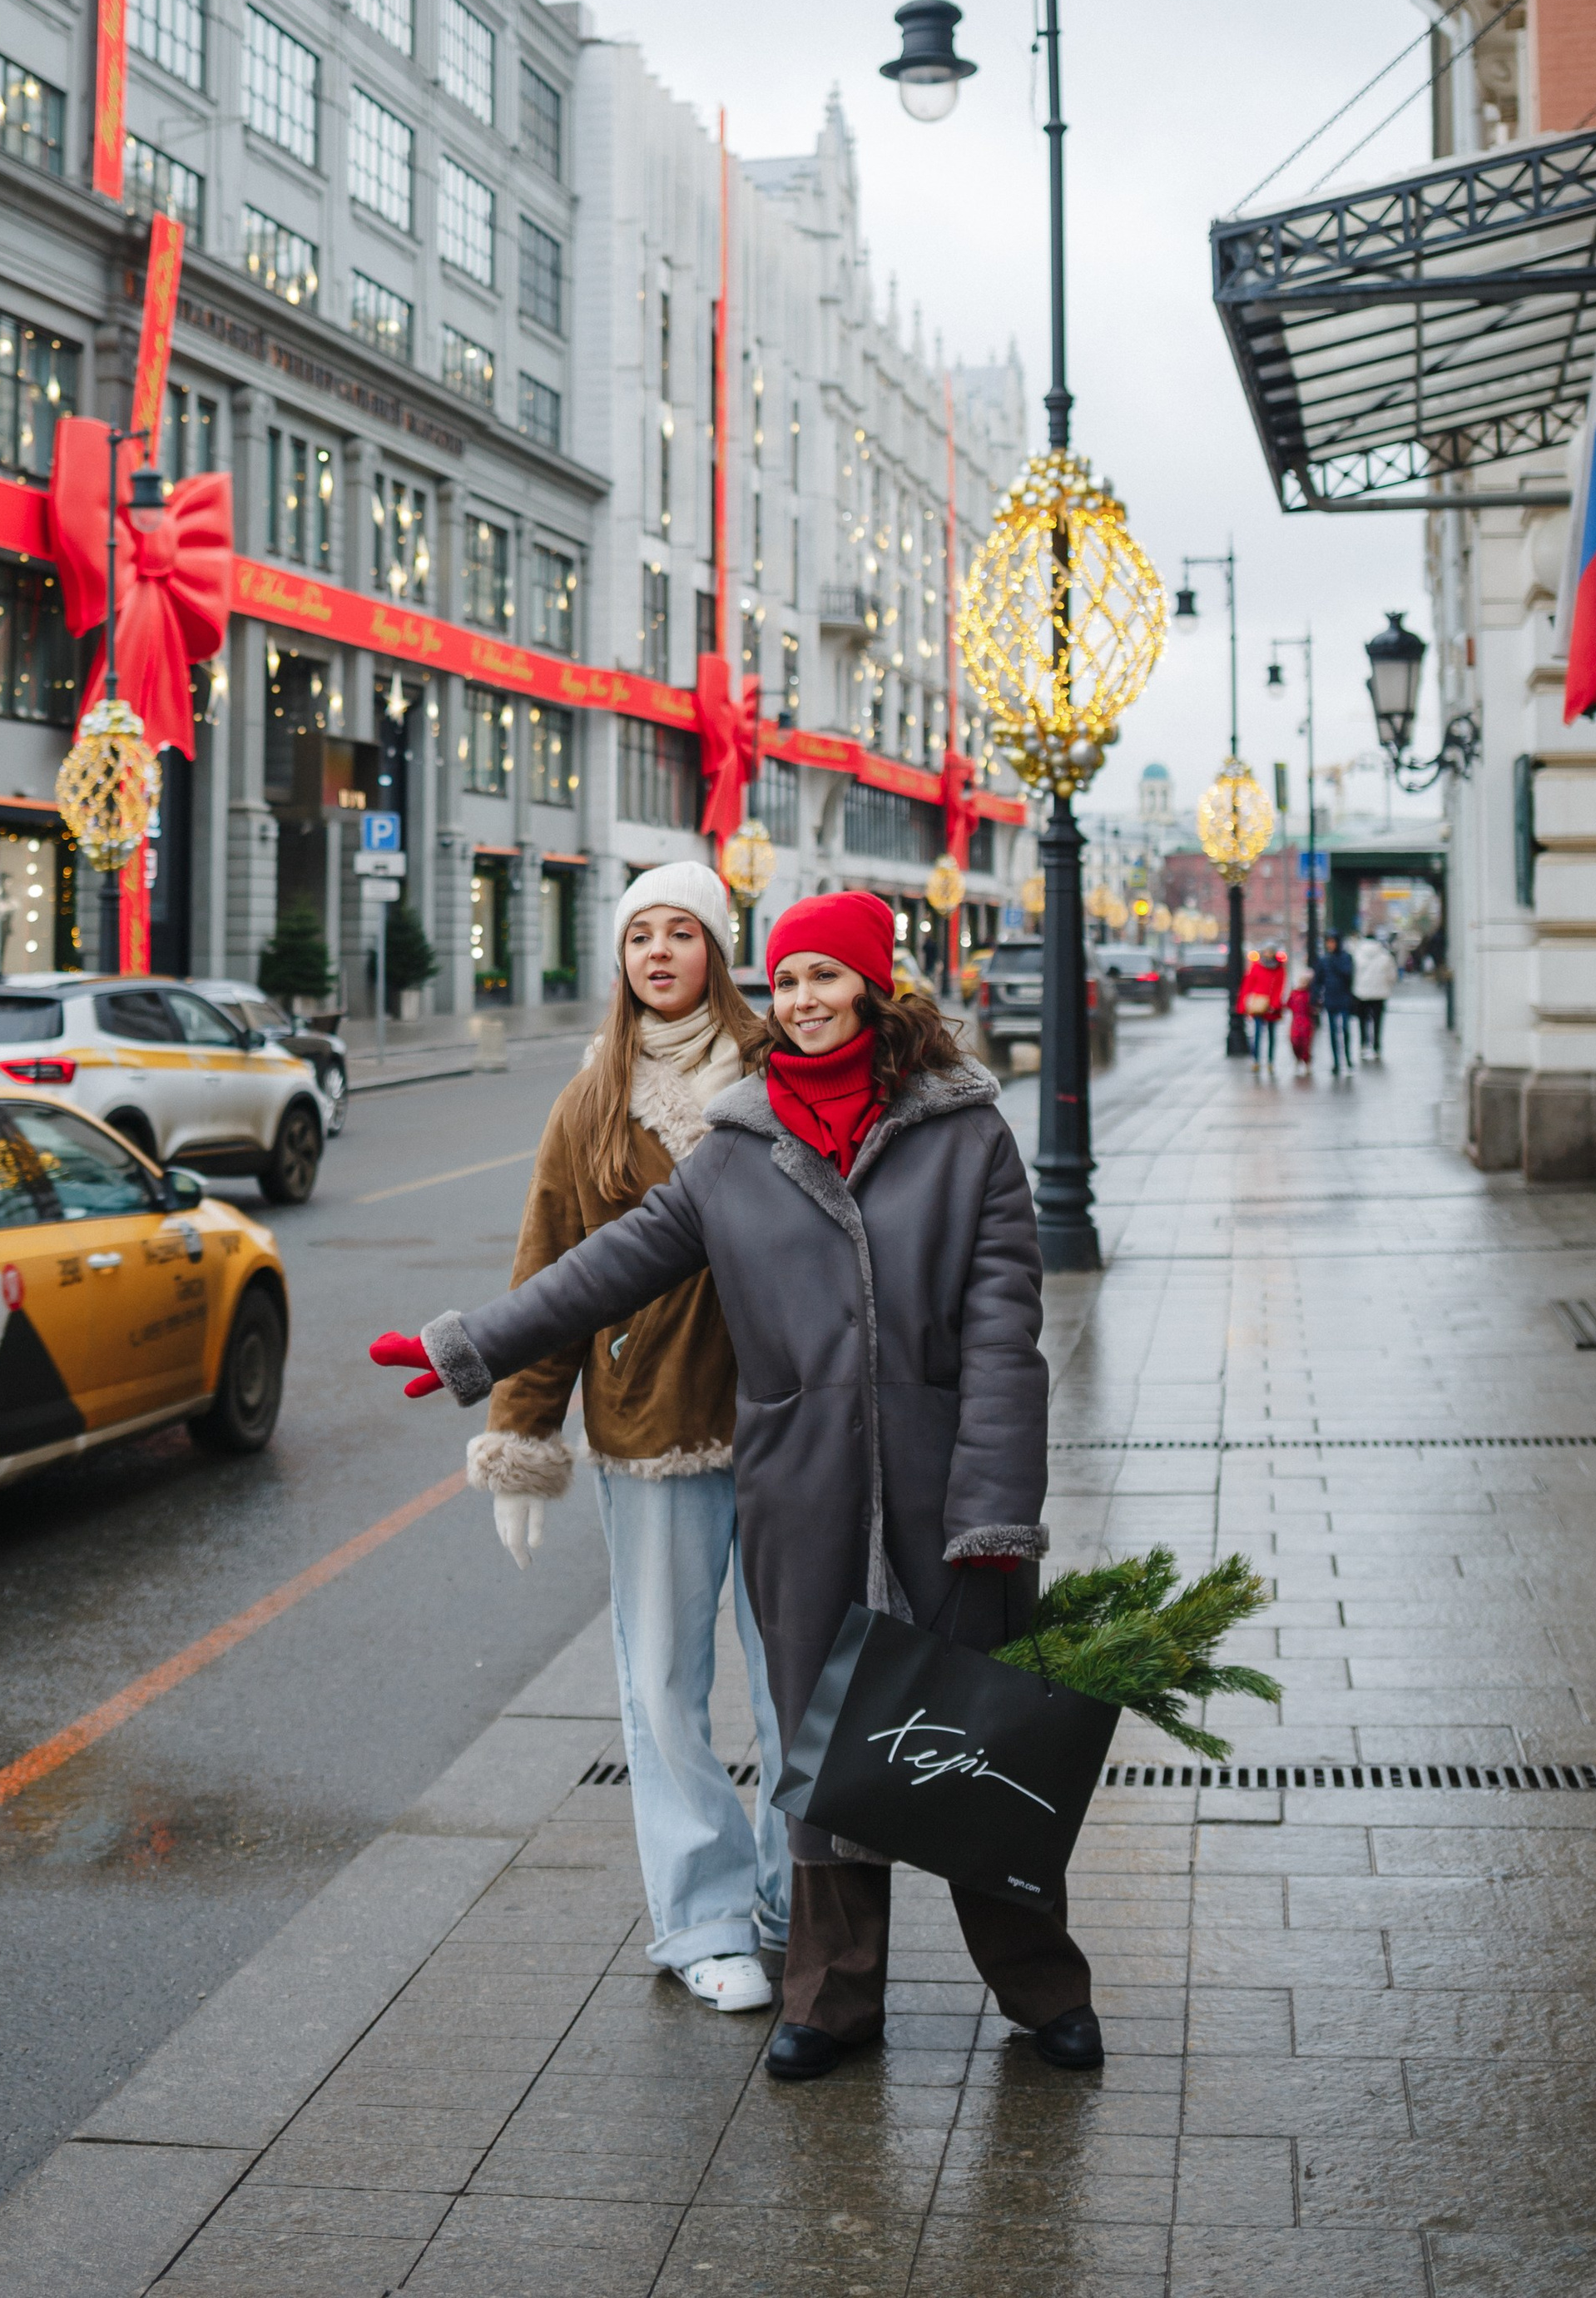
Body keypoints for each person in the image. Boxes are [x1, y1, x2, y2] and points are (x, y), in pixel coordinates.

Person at [371, 886, 1100, 2085]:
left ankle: (1039, 1984)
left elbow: (1004, 1342)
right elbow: (601, 1267)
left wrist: (994, 1514)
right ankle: (831, 1994)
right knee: (823, 1749)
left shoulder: (964, 1134)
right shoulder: (739, 1145)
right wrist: (473, 1346)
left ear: (874, 982)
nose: (805, 1000)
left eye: (827, 976)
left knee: (973, 1744)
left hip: (944, 1495)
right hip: (799, 1498)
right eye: (789, 980)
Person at [467, 860, 786, 2015]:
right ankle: (705, 1919)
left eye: (682, 932)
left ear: (717, 947)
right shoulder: (593, 1097)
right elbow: (551, 1270)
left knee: (806, 1679)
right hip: (651, 1426)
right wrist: (521, 1435)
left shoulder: (775, 1075)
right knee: (662, 1687)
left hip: (784, 1420)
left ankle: (800, 1904)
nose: (658, 952)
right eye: (638, 935)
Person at [1313, 934, 1356, 1075]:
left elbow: (1349, 975)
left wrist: (1335, 963)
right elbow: (1318, 980)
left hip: (1343, 998)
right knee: (1332, 1032)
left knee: (1345, 1029)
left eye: (1332, 942)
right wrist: (1315, 997)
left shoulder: (1345, 958)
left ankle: (1348, 1059)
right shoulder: (1324, 960)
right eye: (1328, 942)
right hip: (1330, 999)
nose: (1330, 945)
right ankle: (1336, 1062)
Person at [1236, 946, 1286, 1069]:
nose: (1268, 954)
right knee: (1257, 1033)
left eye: (1270, 952)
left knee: (1271, 1035)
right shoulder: (1256, 967)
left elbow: (1280, 987)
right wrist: (1243, 1004)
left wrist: (1274, 1004)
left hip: (1272, 1008)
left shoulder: (1279, 969)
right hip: (1258, 1005)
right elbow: (1248, 985)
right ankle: (1256, 1060)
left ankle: (1270, 1061)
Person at [1350, 930, 1397, 1057]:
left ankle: (1363, 1044)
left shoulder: (1357, 955)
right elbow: (1392, 976)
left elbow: (1352, 974)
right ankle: (1376, 1046)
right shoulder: (1385, 956)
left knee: (1362, 1020)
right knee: (1378, 1020)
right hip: (1380, 993)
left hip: (1361, 993)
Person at [1286, 960, 1316, 1074]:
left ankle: (1306, 1061)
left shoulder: (1309, 995)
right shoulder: (1294, 993)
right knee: (1295, 1042)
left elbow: (1313, 1008)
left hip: (1306, 1022)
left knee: (1306, 1044)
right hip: (1296, 1022)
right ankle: (1298, 1059)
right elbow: (1288, 1005)